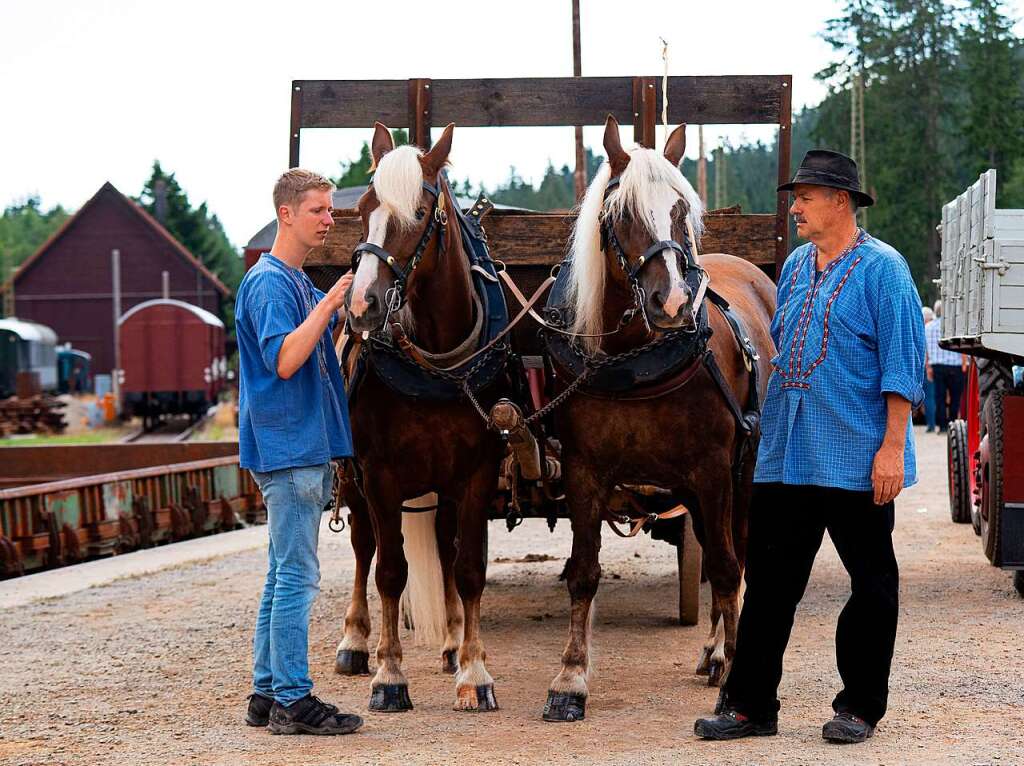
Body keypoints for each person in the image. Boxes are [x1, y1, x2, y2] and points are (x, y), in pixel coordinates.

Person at [694, 150, 925, 744]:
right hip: (787, 453)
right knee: (769, 585)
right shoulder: (796, 266)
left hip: (856, 456)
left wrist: (892, 450)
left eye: (806, 196)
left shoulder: (885, 270)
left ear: (841, 202)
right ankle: (750, 706)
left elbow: (903, 366)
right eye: (795, 196)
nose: (794, 206)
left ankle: (860, 706)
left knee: (871, 584)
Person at [235, 169, 362, 736]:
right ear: (287, 213)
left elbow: (321, 341)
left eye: (330, 210)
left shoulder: (294, 282)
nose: (329, 220)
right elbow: (285, 359)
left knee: (281, 573)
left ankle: (266, 694)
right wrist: (329, 303)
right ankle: (293, 697)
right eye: (319, 209)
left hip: (295, 448)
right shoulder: (268, 284)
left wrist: (338, 305)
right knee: (297, 578)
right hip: (290, 450)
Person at [925, 300, 967, 432]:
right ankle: (953, 424)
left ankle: (942, 426)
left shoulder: (928, 327)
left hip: (937, 366)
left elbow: (926, 349)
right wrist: (964, 363)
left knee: (940, 397)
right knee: (955, 397)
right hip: (956, 366)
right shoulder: (957, 326)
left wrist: (928, 367)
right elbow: (963, 346)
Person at [921, 306, 936, 432]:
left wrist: (927, 367)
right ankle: (944, 423)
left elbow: (925, 351)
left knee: (930, 397)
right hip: (950, 366)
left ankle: (931, 424)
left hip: (930, 366)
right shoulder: (941, 327)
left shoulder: (926, 329)